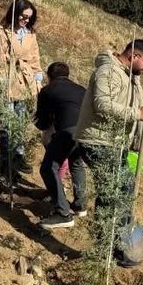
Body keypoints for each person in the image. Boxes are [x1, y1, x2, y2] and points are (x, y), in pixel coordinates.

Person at [71, 39, 143, 231]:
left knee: (122, 188)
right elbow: (102, 105)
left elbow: (132, 107)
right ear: (133, 56)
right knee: (111, 192)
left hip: (114, 143)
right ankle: (107, 243)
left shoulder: (132, 76)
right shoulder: (108, 72)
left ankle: (115, 238)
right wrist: (137, 113)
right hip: (98, 141)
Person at [0, 0, 43, 184]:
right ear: (14, 12)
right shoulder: (1, 32)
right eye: (23, 15)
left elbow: (36, 62)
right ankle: (6, 163)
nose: (26, 20)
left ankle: (17, 159)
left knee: (20, 125)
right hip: (8, 82)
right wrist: (1, 85)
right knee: (7, 125)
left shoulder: (30, 35)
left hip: (25, 84)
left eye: (29, 17)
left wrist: (37, 83)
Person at [35, 62, 87, 229]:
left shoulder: (48, 90)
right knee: (77, 163)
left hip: (67, 131)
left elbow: (43, 123)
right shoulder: (82, 90)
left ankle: (63, 213)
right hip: (86, 133)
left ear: (49, 77)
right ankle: (80, 205)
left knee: (48, 167)